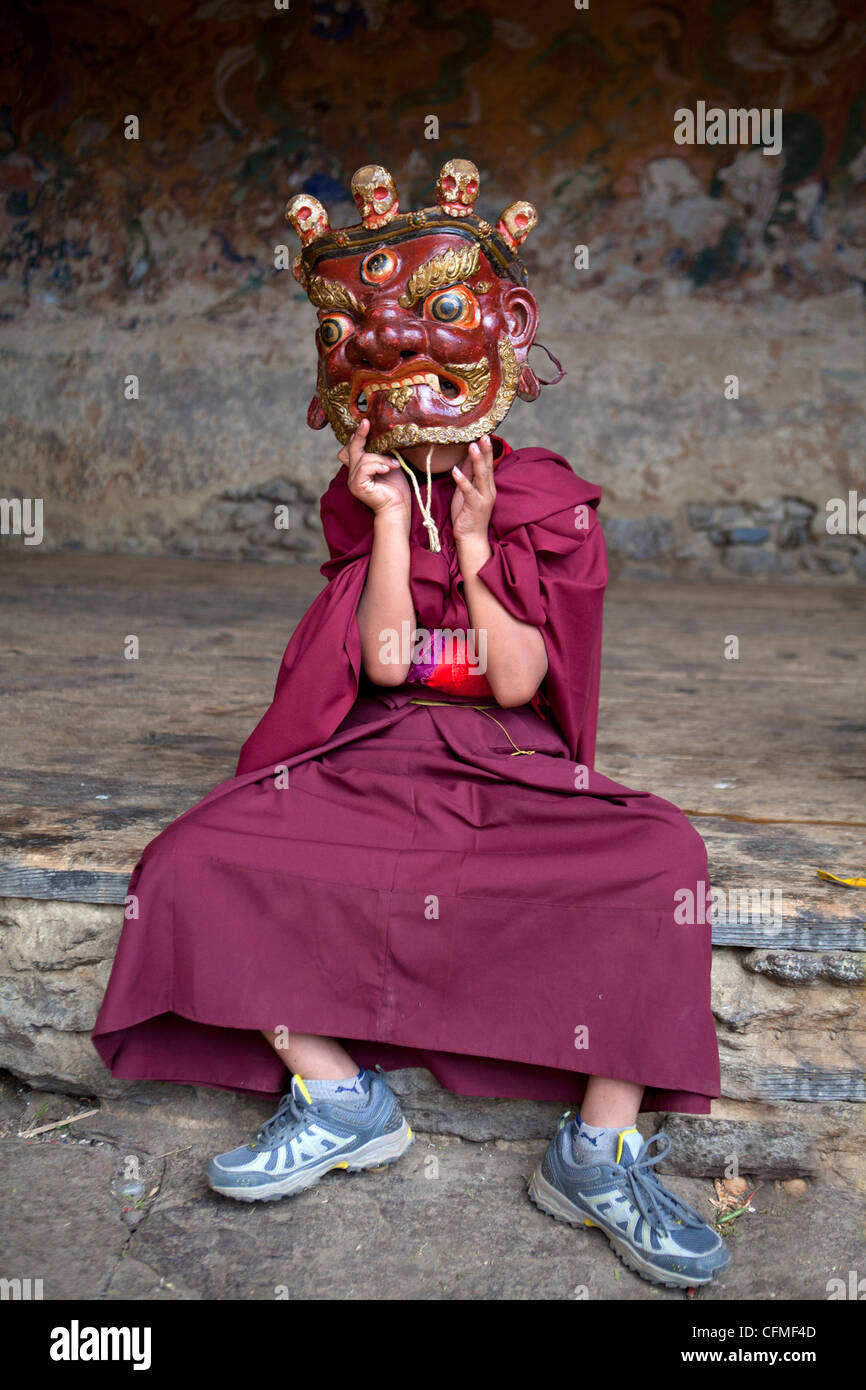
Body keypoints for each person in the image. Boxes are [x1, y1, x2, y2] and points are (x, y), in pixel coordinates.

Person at [92, 159, 730, 1289]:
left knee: (660, 855)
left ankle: (600, 1147)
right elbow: (385, 661)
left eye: (438, 319)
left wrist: (478, 552)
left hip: (507, 765)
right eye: (360, 335)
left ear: (507, 332)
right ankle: (339, 1095)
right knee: (193, 856)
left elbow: (514, 673)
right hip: (374, 753)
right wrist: (392, 522)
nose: (396, 357)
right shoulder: (358, 499)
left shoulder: (546, 500)